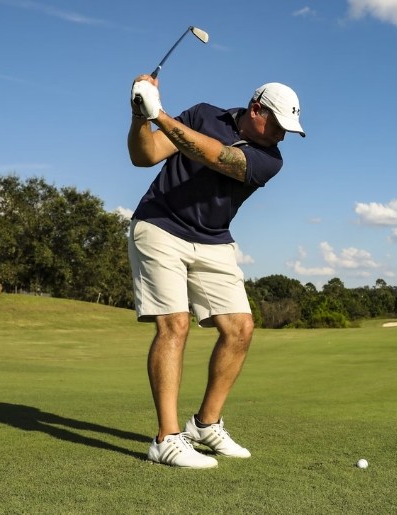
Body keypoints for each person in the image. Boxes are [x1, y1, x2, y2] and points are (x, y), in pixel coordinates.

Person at [126, 74, 305, 468]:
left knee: (239, 327)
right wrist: (141, 116)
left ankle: (205, 424)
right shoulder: (204, 114)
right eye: (276, 125)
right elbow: (145, 156)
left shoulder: (270, 160)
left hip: (213, 239)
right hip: (159, 225)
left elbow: (217, 157)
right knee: (174, 324)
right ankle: (167, 439)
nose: (281, 135)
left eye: (288, 130)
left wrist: (160, 115)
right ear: (255, 109)